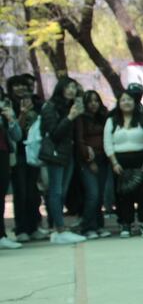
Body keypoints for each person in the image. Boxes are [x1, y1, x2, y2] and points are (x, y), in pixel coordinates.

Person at [40, 77, 86, 244]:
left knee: (62, 193)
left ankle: (58, 229)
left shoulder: (70, 106)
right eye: (68, 87)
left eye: (74, 87)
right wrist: (70, 117)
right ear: (60, 88)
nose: (71, 90)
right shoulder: (50, 107)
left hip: (68, 155)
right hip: (55, 155)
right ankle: (59, 229)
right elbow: (54, 134)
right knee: (56, 192)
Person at [106, 90, 143, 238]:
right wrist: (114, 162)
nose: (126, 103)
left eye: (129, 100)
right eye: (123, 100)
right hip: (120, 162)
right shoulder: (112, 121)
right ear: (118, 103)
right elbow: (107, 143)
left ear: (135, 103)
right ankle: (126, 224)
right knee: (123, 194)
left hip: (141, 160)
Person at [7, 75, 44, 242]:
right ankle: (21, 229)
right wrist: (22, 114)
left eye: (23, 85)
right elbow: (16, 133)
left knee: (33, 192)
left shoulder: (36, 104)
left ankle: (34, 226)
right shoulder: (9, 105)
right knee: (21, 192)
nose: (20, 88)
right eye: (16, 86)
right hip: (19, 154)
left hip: (34, 153)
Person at [75, 90, 111, 239]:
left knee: (100, 195)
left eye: (96, 100)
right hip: (87, 161)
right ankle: (87, 227)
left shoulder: (103, 117)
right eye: (90, 101)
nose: (94, 104)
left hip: (103, 159)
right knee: (92, 194)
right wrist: (89, 160)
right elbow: (79, 140)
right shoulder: (81, 119)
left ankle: (98, 225)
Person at [0, 86, 23, 249]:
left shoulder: (5, 112)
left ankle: (1, 235)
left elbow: (17, 136)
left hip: (3, 155)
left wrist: (11, 120)